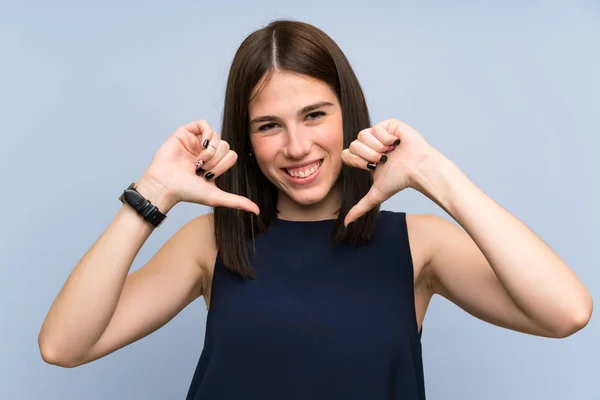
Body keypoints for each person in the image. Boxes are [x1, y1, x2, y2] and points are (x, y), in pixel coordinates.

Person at [38, 20, 592, 400]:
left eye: (314, 115)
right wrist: (154, 189)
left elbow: (565, 312)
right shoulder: (213, 241)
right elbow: (64, 346)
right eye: (269, 125)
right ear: (247, 139)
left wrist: (435, 174)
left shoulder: (420, 245)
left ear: (347, 113)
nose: (297, 147)